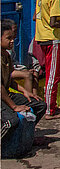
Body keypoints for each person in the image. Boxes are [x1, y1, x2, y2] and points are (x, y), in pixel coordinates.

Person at [2, 19, 47, 158]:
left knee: (39, 105)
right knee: (11, 122)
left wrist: (25, 92)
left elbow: (8, 81)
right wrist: (14, 106)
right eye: (8, 38)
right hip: (2, 96)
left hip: (6, 94)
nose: (12, 42)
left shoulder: (7, 56)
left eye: (13, 38)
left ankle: (26, 137)